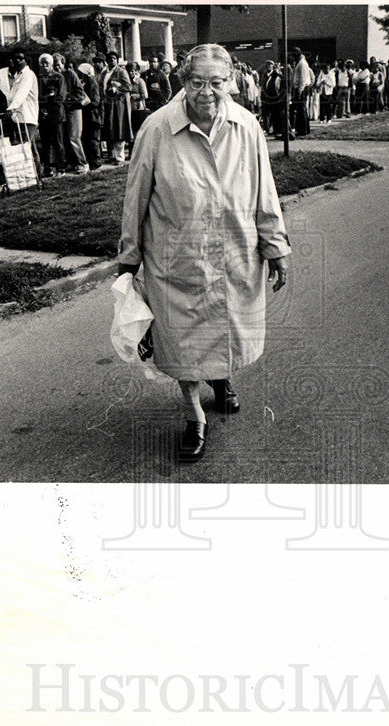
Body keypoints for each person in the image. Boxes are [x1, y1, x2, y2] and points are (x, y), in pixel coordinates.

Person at [117, 44, 290, 463]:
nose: (206, 92)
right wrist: (128, 259)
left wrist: (276, 246)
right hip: (176, 259)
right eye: (197, 82)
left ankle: (220, 379)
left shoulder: (246, 125)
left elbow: (264, 191)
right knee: (182, 341)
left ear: (229, 82)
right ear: (183, 82)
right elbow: (135, 196)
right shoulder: (157, 129)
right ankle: (194, 414)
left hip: (234, 249)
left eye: (216, 82)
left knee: (225, 325)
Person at [5, 49, 41, 173]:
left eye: (20, 58)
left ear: (26, 60)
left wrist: (11, 108)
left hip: (28, 115)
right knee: (27, 145)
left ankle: (35, 174)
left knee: (26, 145)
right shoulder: (18, 76)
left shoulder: (28, 74)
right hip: (19, 117)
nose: (17, 60)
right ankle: (34, 173)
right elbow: (12, 95)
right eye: (15, 58)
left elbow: (22, 93)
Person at [54, 53, 89, 174]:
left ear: (63, 63)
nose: (56, 67)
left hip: (74, 108)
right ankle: (72, 163)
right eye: (54, 65)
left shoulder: (70, 74)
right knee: (65, 138)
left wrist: (68, 98)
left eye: (58, 64)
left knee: (73, 137)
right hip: (63, 110)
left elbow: (80, 92)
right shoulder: (55, 77)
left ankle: (82, 163)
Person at [36, 53, 66, 177]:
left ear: (51, 64)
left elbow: (61, 96)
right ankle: (47, 168)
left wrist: (48, 101)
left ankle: (61, 169)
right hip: (43, 115)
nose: (44, 66)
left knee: (58, 142)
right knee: (45, 143)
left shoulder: (59, 77)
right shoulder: (38, 78)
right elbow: (37, 96)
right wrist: (42, 107)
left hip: (56, 114)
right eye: (42, 64)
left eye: (46, 63)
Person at [100, 51, 133, 165]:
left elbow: (128, 86)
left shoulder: (121, 72)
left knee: (119, 128)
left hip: (119, 104)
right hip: (108, 103)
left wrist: (117, 90)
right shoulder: (105, 72)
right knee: (110, 128)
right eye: (109, 59)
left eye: (114, 58)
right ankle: (112, 155)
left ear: (117, 60)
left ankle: (120, 157)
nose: (111, 61)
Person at [77, 62, 103, 171]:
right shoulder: (86, 83)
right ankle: (92, 161)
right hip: (89, 116)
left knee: (93, 140)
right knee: (88, 139)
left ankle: (96, 162)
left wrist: (83, 104)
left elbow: (95, 101)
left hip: (94, 116)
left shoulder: (92, 83)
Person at [289, 47, 313, 136]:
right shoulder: (299, 63)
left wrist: (300, 90)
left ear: (297, 54)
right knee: (300, 109)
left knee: (301, 109)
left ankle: (303, 130)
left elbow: (303, 78)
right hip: (299, 88)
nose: (292, 57)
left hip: (302, 88)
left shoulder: (302, 63)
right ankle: (303, 129)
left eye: (293, 55)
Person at [127, 61, 149, 137]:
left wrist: (134, 96)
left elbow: (145, 95)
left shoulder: (140, 81)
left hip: (139, 108)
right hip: (129, 108)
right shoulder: (126, 82)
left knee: (138, 130)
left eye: (133, 71)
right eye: (129, 71)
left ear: (136, 71)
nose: (131, 73)